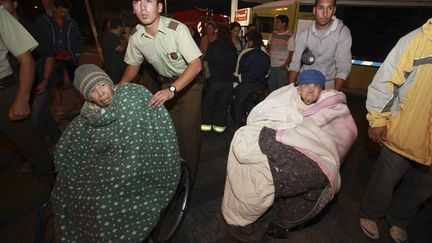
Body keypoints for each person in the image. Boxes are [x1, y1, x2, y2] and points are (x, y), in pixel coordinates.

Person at [222, 69, 357, 242]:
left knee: (321, 181)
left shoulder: (326, 106)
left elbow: (341, 133)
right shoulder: (284, 99)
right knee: (256, 174)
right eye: (306, 85)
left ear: (322, 90)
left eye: (316, 87)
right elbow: (261, 116)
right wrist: (288, 125)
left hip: (309, 151)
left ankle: (281, 220)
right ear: (298, 88)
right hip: (281, 142)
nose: (311, 90)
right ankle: (252, 223)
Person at [52, 64, 181, 242]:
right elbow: (71, 142)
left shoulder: (131, 96)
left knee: (102, 205)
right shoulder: (88, 115)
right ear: (87, 98)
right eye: (93, 91)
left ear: (110, 82)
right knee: (68, 193)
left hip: (135, 157)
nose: (101, 93)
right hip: (102, 164)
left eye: (102, 85)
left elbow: (148, 122)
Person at [358, 18, 432, 243]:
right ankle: (371, 213)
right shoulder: (416, 41)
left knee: (422, 187)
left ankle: (400, 219)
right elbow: (386, 80)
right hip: (405, 128)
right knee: (385, 178)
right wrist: (378, 119)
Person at [120, 0, 203, 183]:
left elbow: (196, 65)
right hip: (166, 85)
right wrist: (120, 85)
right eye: (137, 2)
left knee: (188, 135)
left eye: (149, 1)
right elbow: (133, 66)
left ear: (159, 7)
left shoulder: (176, 29)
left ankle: (188, 182)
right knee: (171, 133)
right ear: (132, 8)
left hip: (189, 85)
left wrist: (172, 90)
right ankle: (175, 172)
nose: (143, 7)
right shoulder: (136, 35)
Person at [0, 5, 54, 185]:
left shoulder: (3, 15)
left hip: (4, 90)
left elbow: (27, 59)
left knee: (33, 148)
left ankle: (60, 193)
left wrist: (22, 97)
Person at [32, 0, 82, 145]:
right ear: (54, 8)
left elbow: (77, 39)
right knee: (56, 84)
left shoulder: (71, 23)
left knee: (75, 80)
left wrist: (76, 54)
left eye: (66, 12)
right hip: (51, 59)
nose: (64, 14)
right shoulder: (44, 21)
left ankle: (79, 102)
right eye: (61, 11)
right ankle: (60, 106)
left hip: (69, 57)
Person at [288, 0, 352, 90]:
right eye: (320, 8)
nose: (325, 13)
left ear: (334, 10)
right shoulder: (304, 34)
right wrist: (290, 90)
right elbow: (295, 64)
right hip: (304, 81)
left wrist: (334, 93)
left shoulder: (342, 32)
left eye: (329, 8)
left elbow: (343, 66)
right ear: (314, 10)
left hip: (328, 84)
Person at [201, 25, 237, 133]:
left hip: (214, 80)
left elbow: (206, 62)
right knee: (222, 104)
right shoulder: (233, 48)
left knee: (208, 104)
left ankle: (206, 127)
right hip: (227, 81)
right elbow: (234, 64)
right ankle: (219, 128)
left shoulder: (213, 46)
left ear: (218, 34)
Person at [231, 30, 270, 129]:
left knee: (238, 104)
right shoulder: (265, 53)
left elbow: (237, 71)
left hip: (245, 84)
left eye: (248, 41)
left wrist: (236, 82)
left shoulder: (245, 52)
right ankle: (251, 124)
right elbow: (267, 73)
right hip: (258, 84)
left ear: (251, 41)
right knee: (252, 104)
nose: (247, 43)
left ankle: (237, 125)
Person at [267, 15, 294, 92]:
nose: (275, 24)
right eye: (275, 22)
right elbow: (268, 46)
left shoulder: (290, 36)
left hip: (281, 67)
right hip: (271, 66)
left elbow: (291, 52)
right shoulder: (272, 34)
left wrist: (285, 64)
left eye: (278, 22)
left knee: (280, 89)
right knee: (271, 88)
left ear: (284, 24)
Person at [101, 18, 128, 84]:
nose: (124, 28)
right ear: (119, 26)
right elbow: (120, 48)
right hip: (114, 69)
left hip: (121, 68)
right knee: (117, 88)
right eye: (123, 26)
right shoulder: (109, 37)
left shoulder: (119, 36)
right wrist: (127, 39)